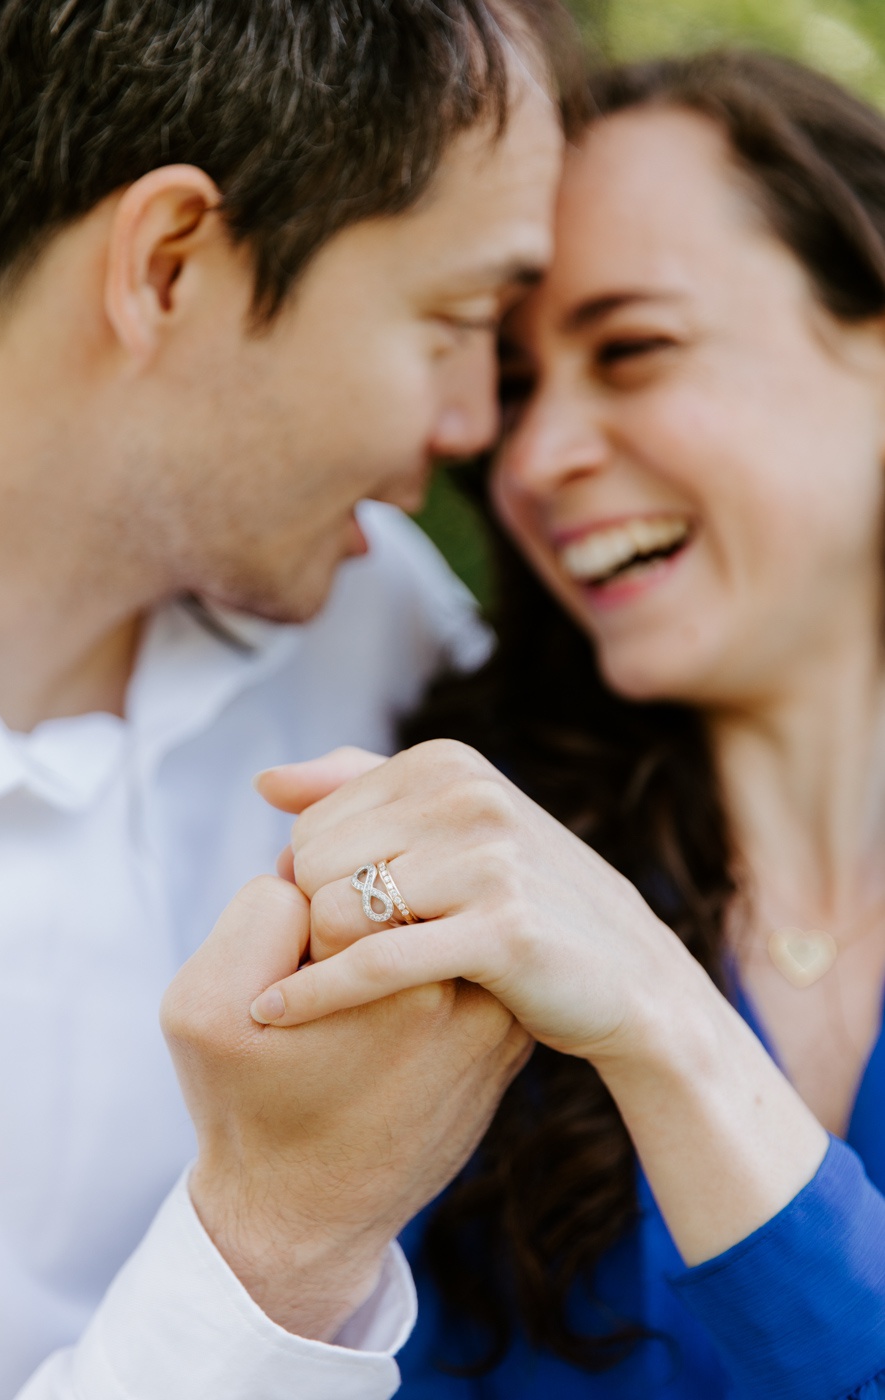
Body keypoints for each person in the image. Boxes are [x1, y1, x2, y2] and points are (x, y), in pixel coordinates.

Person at [0, 2, 576, 1397]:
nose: (483, 423)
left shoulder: (377, 615)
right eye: (455, 319)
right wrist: (277, 1243)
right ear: (170, 266)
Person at [253, 49, 885, 1398]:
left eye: (634, 349)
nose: (530, 458)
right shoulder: (451, 893)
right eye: (520, 382)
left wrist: (662, 1010)